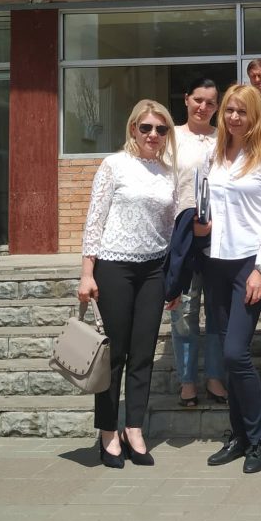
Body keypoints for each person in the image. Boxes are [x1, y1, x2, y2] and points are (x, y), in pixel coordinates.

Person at [78, 99, 177, 468]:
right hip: (114, 267)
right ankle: (108, 431)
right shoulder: (114, 165)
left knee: (142, 354)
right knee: (114, 354)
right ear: (133, 128)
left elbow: (170, 227)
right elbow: (95, 219)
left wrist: (173, 276)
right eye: (146, 127)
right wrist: (87, 273)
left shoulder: (168, 173)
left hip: (154, 270)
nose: (153, 135)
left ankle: (134, 428)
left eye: (161, 129)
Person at [199, 84, 261, 474]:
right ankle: (238, 436)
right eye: (229, 111)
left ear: (255, 116)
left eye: (242, 111)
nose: (234, 117)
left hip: (248, 264)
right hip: (214, 261)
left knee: (236, 353)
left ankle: (257, 438)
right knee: (224, 354)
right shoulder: (214, 154)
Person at [163, 78, 227, 408]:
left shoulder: (224, 137)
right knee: (185, 310)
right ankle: (187, 381)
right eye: (198, 100)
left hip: (220, 236)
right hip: (184, 234)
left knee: (217, 309)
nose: (203, 107)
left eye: (210, 102)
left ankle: (215, 377)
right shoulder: (170, 137)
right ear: (187, 99)